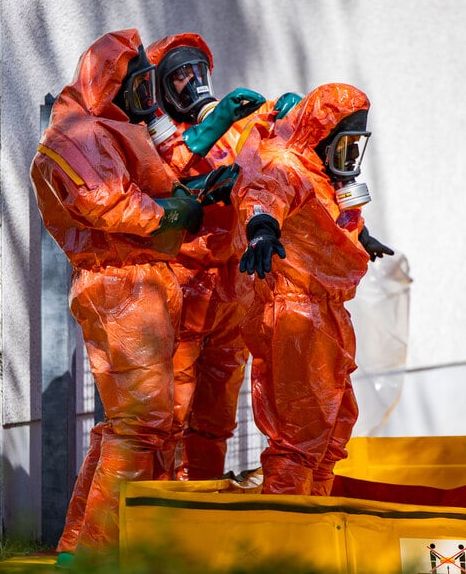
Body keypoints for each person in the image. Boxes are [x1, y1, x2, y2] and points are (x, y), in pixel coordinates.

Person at [29, 28, 203, 558]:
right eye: (139, 87)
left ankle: (82, 549)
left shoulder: (103, 128)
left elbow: (136, 187)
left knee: (128, 425)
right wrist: (172, 213)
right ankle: (102, 556)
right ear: (110, 82)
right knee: (141, 424)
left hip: (134, 282)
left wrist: (184, 199)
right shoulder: (80, 133)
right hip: (121, 286)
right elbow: (109, 203)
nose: (145, 101)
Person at [232, 82, 394, 496]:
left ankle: (312, 530)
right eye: (344, 144)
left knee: (333, 430)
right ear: (322, 135)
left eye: (357, 145)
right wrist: (262, 232)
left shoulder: (321, 174)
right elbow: (264, 196)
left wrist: (362, 237)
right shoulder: (288, 165)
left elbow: (328, 219)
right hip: (297, 314)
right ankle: (285, 543)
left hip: (326, 314)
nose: (350, 157)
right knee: (300, 437)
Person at [145, 33, 266, 480]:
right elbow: (157, 181)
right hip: (181, 284)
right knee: (170, 410)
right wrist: (201, 182)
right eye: (179, 75)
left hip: (230, 287)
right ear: (160, 85)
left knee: (216, 413)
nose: (192, 83)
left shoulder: (231, 131)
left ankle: (205, 505)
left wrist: (289, 118)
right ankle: (163, 517)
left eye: (198, 72)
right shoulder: (151, 133)